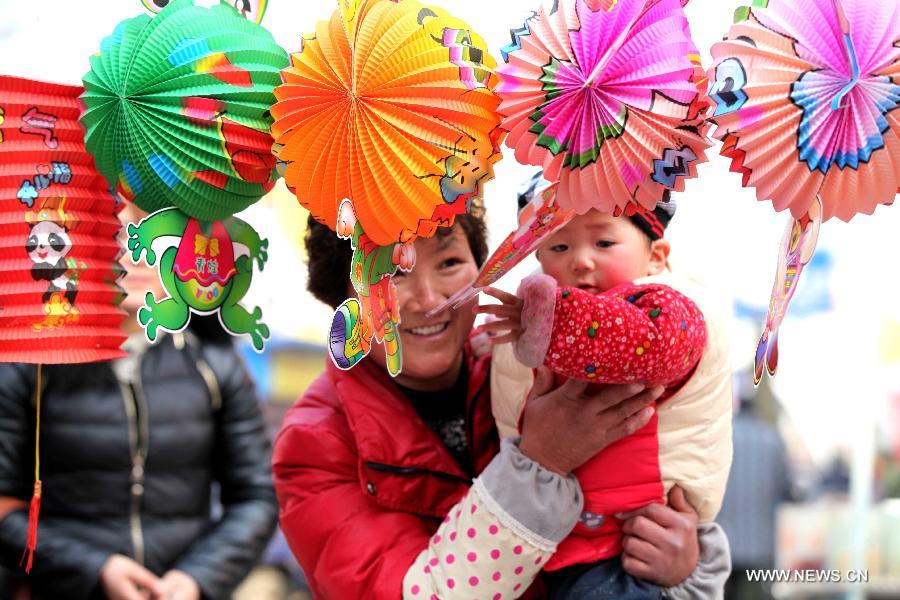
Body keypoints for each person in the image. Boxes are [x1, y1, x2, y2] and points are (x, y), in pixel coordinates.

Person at [273, 207, 731, 599]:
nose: (430, 299)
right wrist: (540, 462)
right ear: (343, 297)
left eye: (450, 261)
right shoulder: (313, 444)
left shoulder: (513, 368)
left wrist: (683, 565)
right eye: (390, 275)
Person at [0, 201, 277, 600]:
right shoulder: (31, 365)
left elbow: (256, 495)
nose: (137, 249)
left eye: (154, 229)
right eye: (116, 231)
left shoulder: (214, 365)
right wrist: (97, 570)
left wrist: (197, 578)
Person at [478, 173, 733, 598]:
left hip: (628, 545)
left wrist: (549, 324)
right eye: (559, 246)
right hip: (557, 541)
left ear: (656, 257)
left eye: (604, 243)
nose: (580, 260)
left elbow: (647, 346)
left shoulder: (671, 309)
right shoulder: (541, 321)